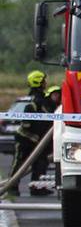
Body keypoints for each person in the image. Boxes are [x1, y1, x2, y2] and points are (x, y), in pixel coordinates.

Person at [6, 68, 57, 197]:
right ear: (39, 82)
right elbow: (27, 124)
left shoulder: (39, 100)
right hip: (25, 139)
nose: (46, 83)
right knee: (19, 163)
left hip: (37, 139)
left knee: (41, 163)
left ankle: (37, 187)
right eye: (44, 81)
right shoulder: (34, 102)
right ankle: (11, 187)